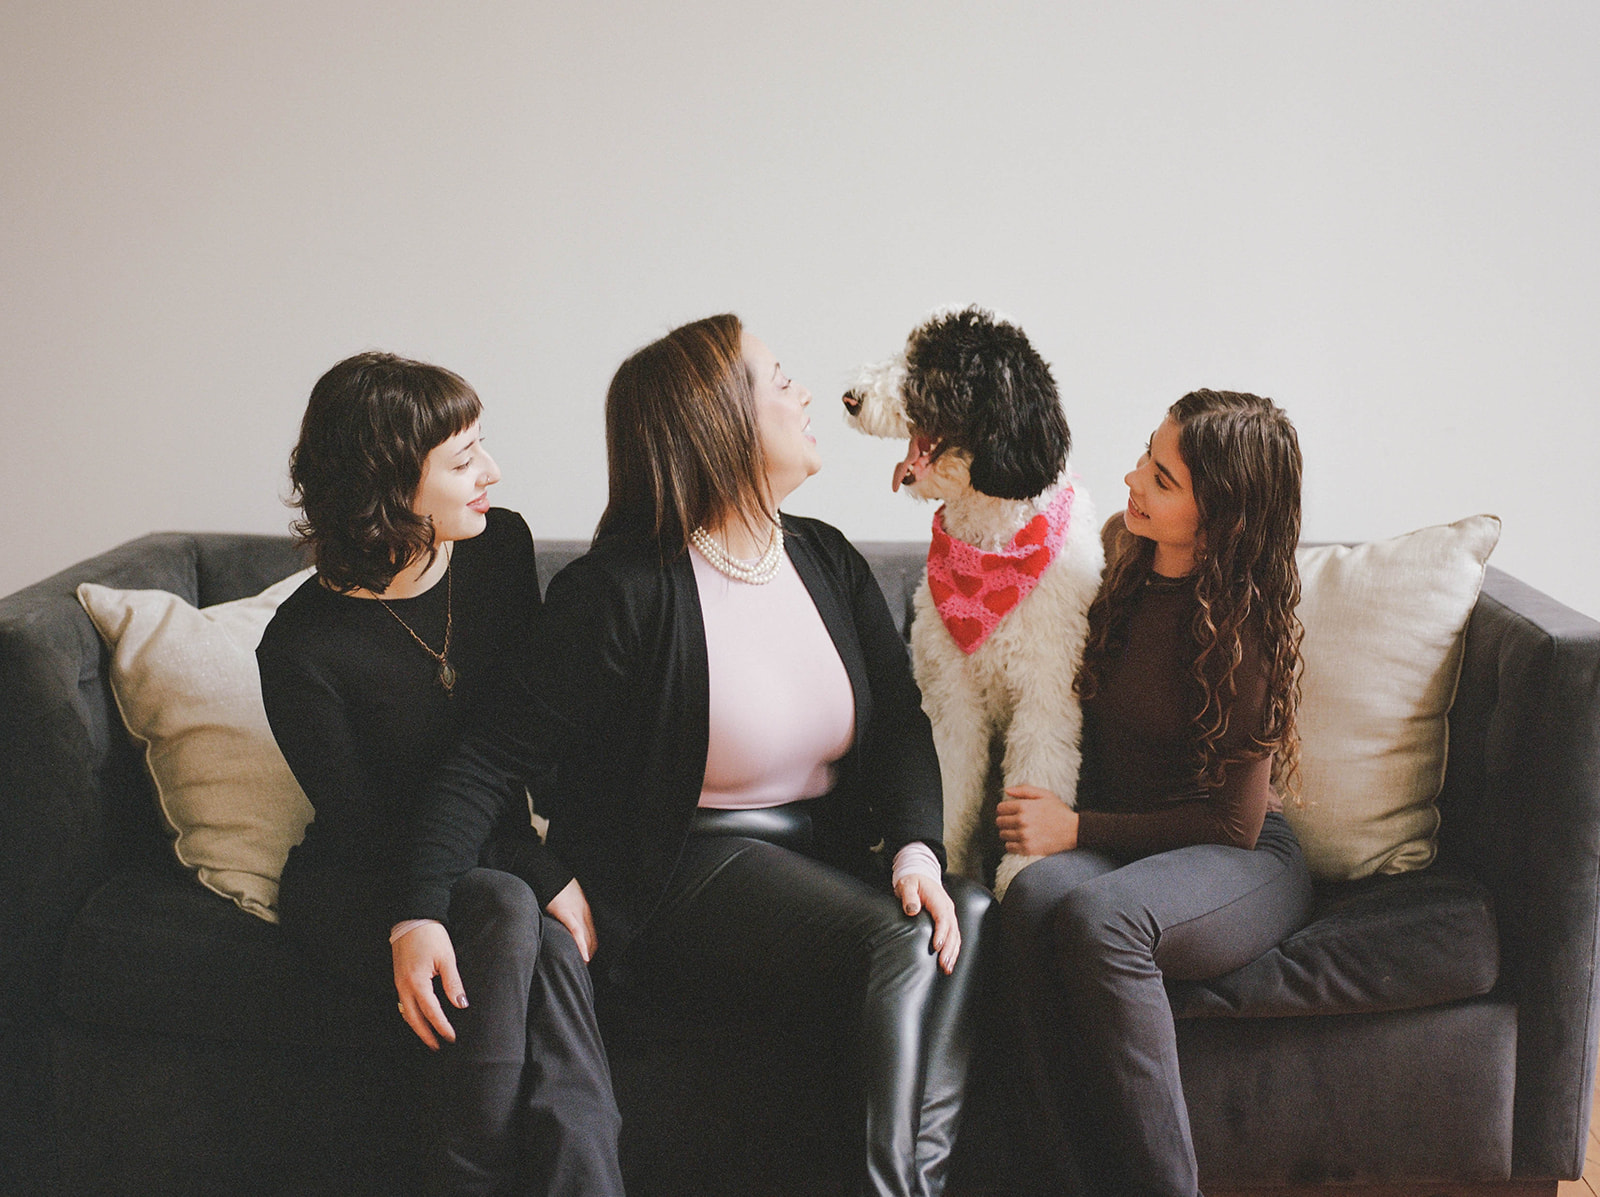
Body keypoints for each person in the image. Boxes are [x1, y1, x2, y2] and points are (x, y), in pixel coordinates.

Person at [392, 314, 995, 1197]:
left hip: (815, 854)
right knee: (899, 944)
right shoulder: (622, 589)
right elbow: (485, 760)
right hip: (685, 870)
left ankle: (912, 1181)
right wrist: (418, 909)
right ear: (717, 421)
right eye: (777, 376)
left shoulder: (823, 555)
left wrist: (915, 846)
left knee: (968, 911)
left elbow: (902, 724)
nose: (803, 392)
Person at [256, 352, 624, 1197]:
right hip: (367, 875)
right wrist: (537, 867)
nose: (490, 471)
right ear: (388, 485)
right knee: (507, 900)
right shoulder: (300, 648)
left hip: (484, 852)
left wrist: (547, 860)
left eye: (480, 446)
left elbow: (523, 738)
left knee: (535, 930)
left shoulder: (500, 552)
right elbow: (373, 825)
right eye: (463, 461)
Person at [996, 389, 1314, 1196]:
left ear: (1221, 517)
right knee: (1032, 899)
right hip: (1121, 841)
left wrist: (1077, 827)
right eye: (1147, 453)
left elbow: (1230, 823)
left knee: (1104, 920)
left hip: (1235, 854)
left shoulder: (1244, 630)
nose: (1133, 477)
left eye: (1162, 478)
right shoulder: (1118, 552)